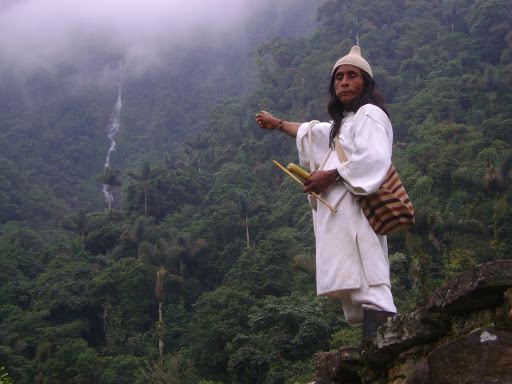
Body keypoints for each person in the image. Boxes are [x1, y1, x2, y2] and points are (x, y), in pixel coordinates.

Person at [256, 46, 396, 337]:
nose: (343, 82)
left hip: (359, 212)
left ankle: (388, 341)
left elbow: (373, 159)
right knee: (355, 292)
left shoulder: (370, 115)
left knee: (369, 277)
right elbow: (312, 132)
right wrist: (278, 124)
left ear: (365, 83)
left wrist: (330, 175)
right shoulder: (343, 125)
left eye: (352, 76)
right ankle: (373, 346)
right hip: (341, 217)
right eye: (339, 77)